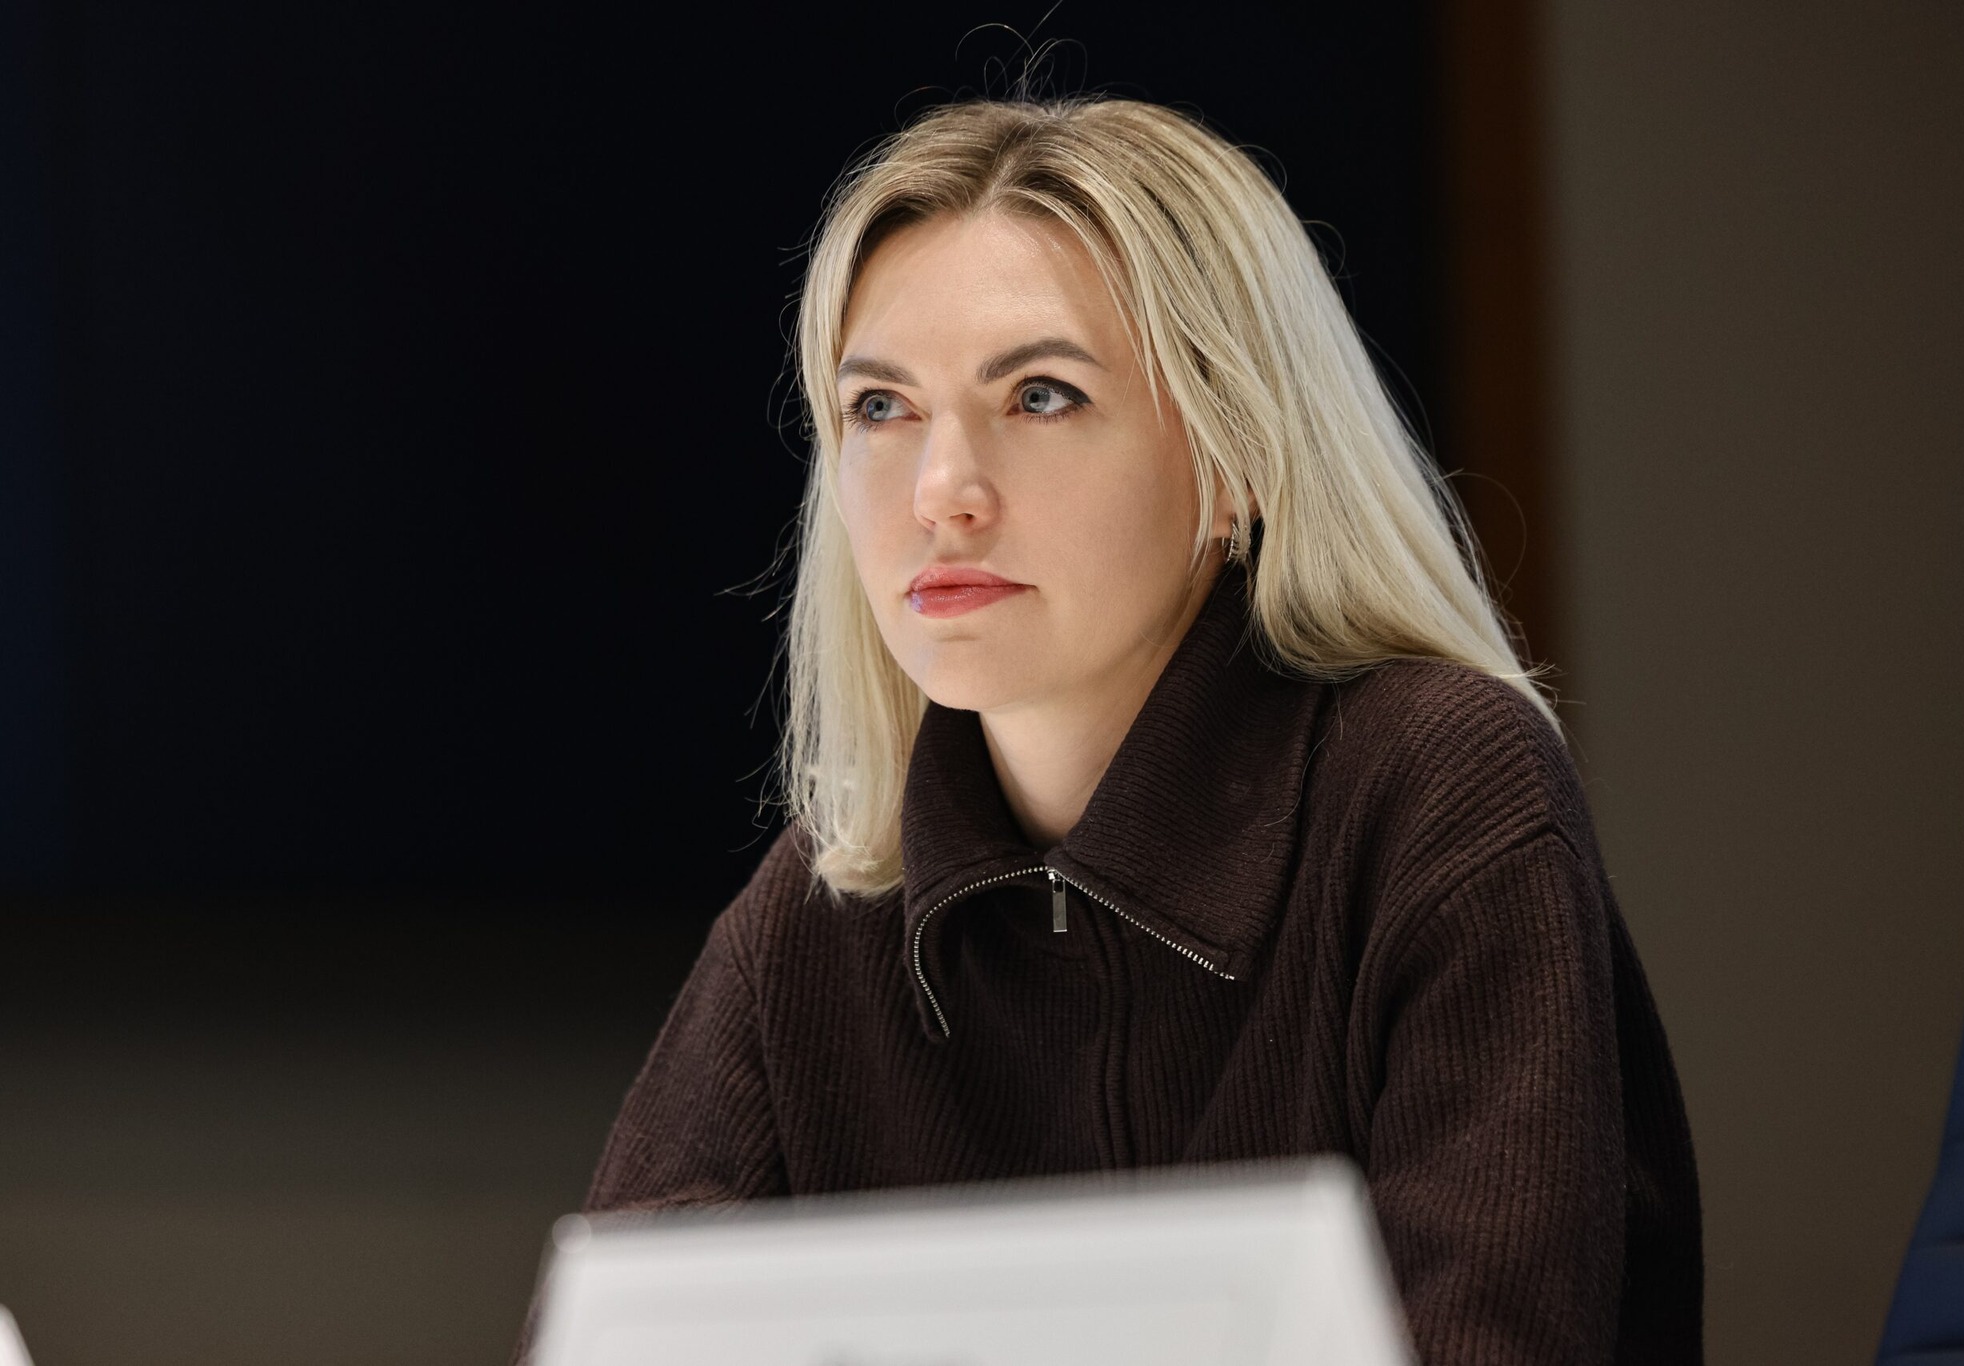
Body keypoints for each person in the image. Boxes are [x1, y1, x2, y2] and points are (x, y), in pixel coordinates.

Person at [557, 96, 1702, 1363]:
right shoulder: (825, 903)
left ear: (1235, 460)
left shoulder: (1439, 786)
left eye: (1039, 395)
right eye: (880, 408)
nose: (941, 492)